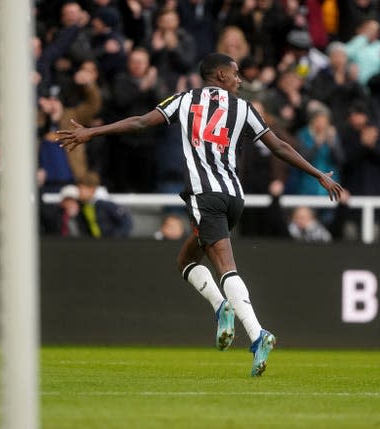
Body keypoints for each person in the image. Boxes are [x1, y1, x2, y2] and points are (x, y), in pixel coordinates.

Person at [57, 52, 343, 377]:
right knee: (186, 261)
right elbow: (278, 146)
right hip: (234, 197)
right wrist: (318, 173)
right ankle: (222, 307)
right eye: (235, 74)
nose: (240, 80)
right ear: (220, 75)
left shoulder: (184, 100)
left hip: (205, 195)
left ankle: (257, 332)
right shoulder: (244, 109)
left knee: (225, 266)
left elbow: (139, 123)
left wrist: (92, 132)